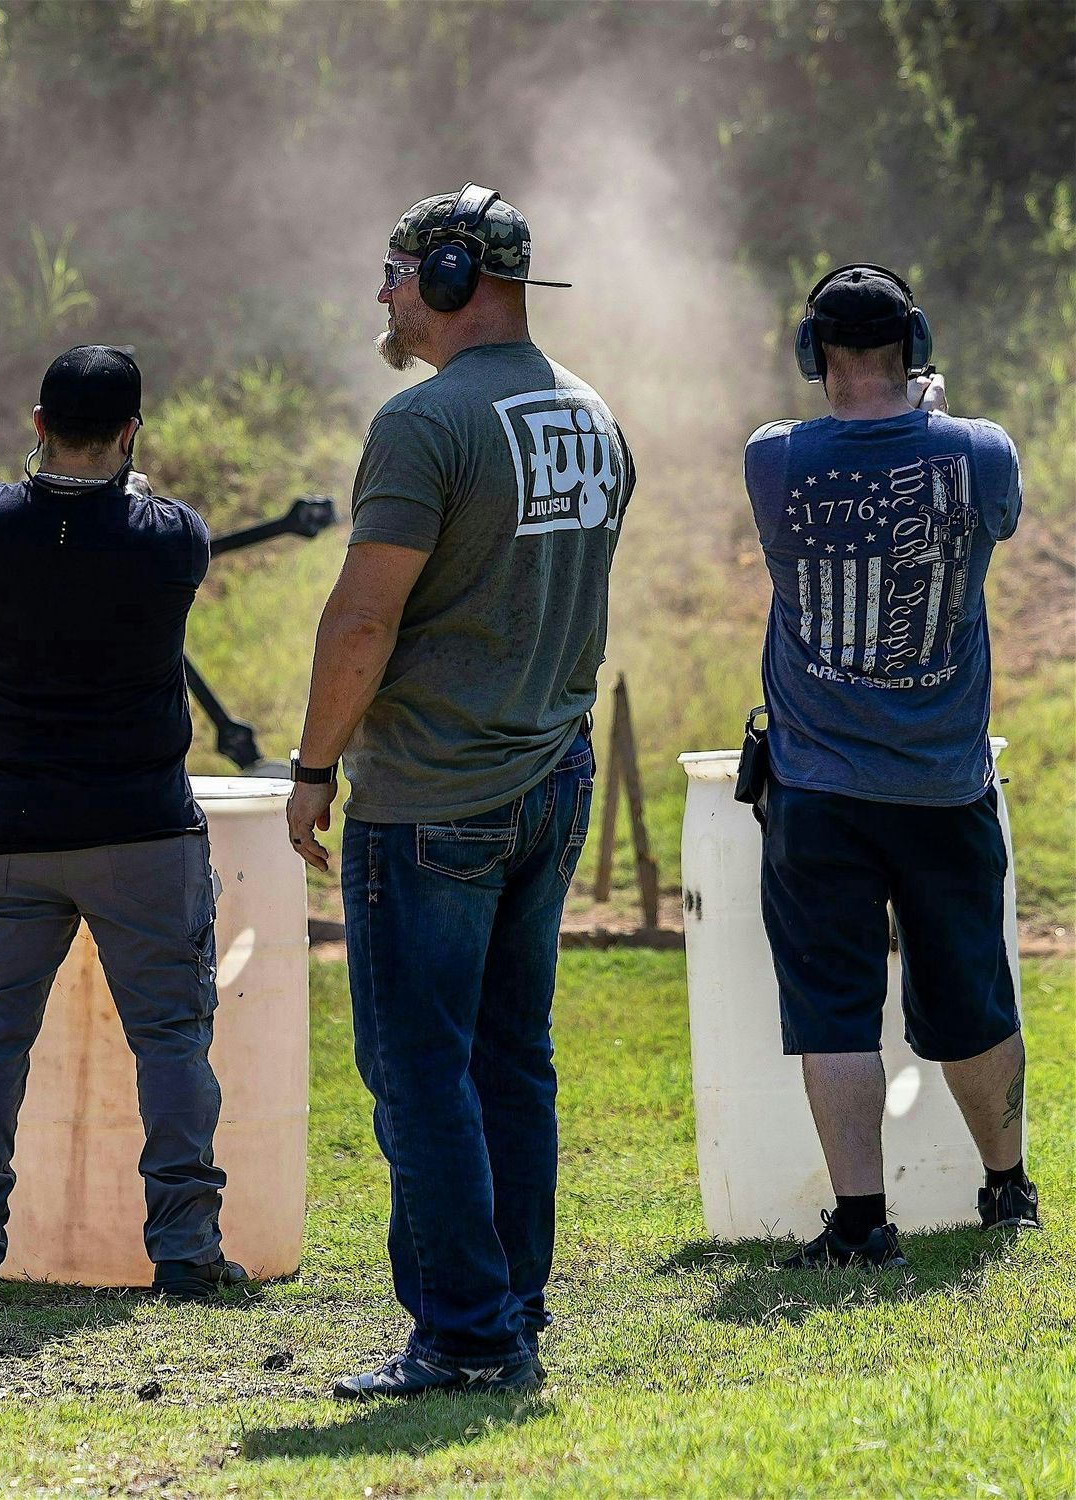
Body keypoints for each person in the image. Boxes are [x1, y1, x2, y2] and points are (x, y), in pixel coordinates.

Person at [287, 185, 635, 1397]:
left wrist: (314, 767)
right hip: (549, 780)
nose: (383, 294)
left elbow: (364, 616)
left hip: (432, 796)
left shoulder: (423, 421)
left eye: (395, 270)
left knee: (420, 1070)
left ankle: (466, 1336)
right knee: (510, 1057)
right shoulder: (591, 414)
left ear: (448, 274)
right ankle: (513, 1308)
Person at [0, 345, 246, 1303]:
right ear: (131, 432)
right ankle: (185, 1252)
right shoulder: (172, 539)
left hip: (6, 835)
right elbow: (143, 515)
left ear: (36, 424)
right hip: (141, 830)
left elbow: (19, 505)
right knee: (170, 1039)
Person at [743, 265, 1038, 1269]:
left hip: (819, 789)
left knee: (832, 1006)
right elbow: (989, 509)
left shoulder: (774, 460)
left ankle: (863, 1223)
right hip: (945, 783)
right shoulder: (981, 452)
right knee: (972, 996)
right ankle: (1008, 1191)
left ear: (811, 357)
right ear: (913, 348)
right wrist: (936, 420)